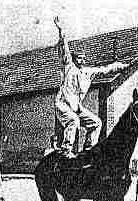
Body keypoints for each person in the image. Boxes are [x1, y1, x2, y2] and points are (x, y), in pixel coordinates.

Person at [53, 16, 129, 157]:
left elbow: (105, 69)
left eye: (83, 58)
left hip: (76, 107)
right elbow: (64, 49)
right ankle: (66, 150)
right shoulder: (68, 68)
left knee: (96, 123)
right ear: (74, 59)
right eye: (79, 58)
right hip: (63, 105)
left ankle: (89, 150)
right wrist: (61, 31)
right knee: (73, 121)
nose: (82, 60)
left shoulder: (88, 72)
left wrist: (122, 66)